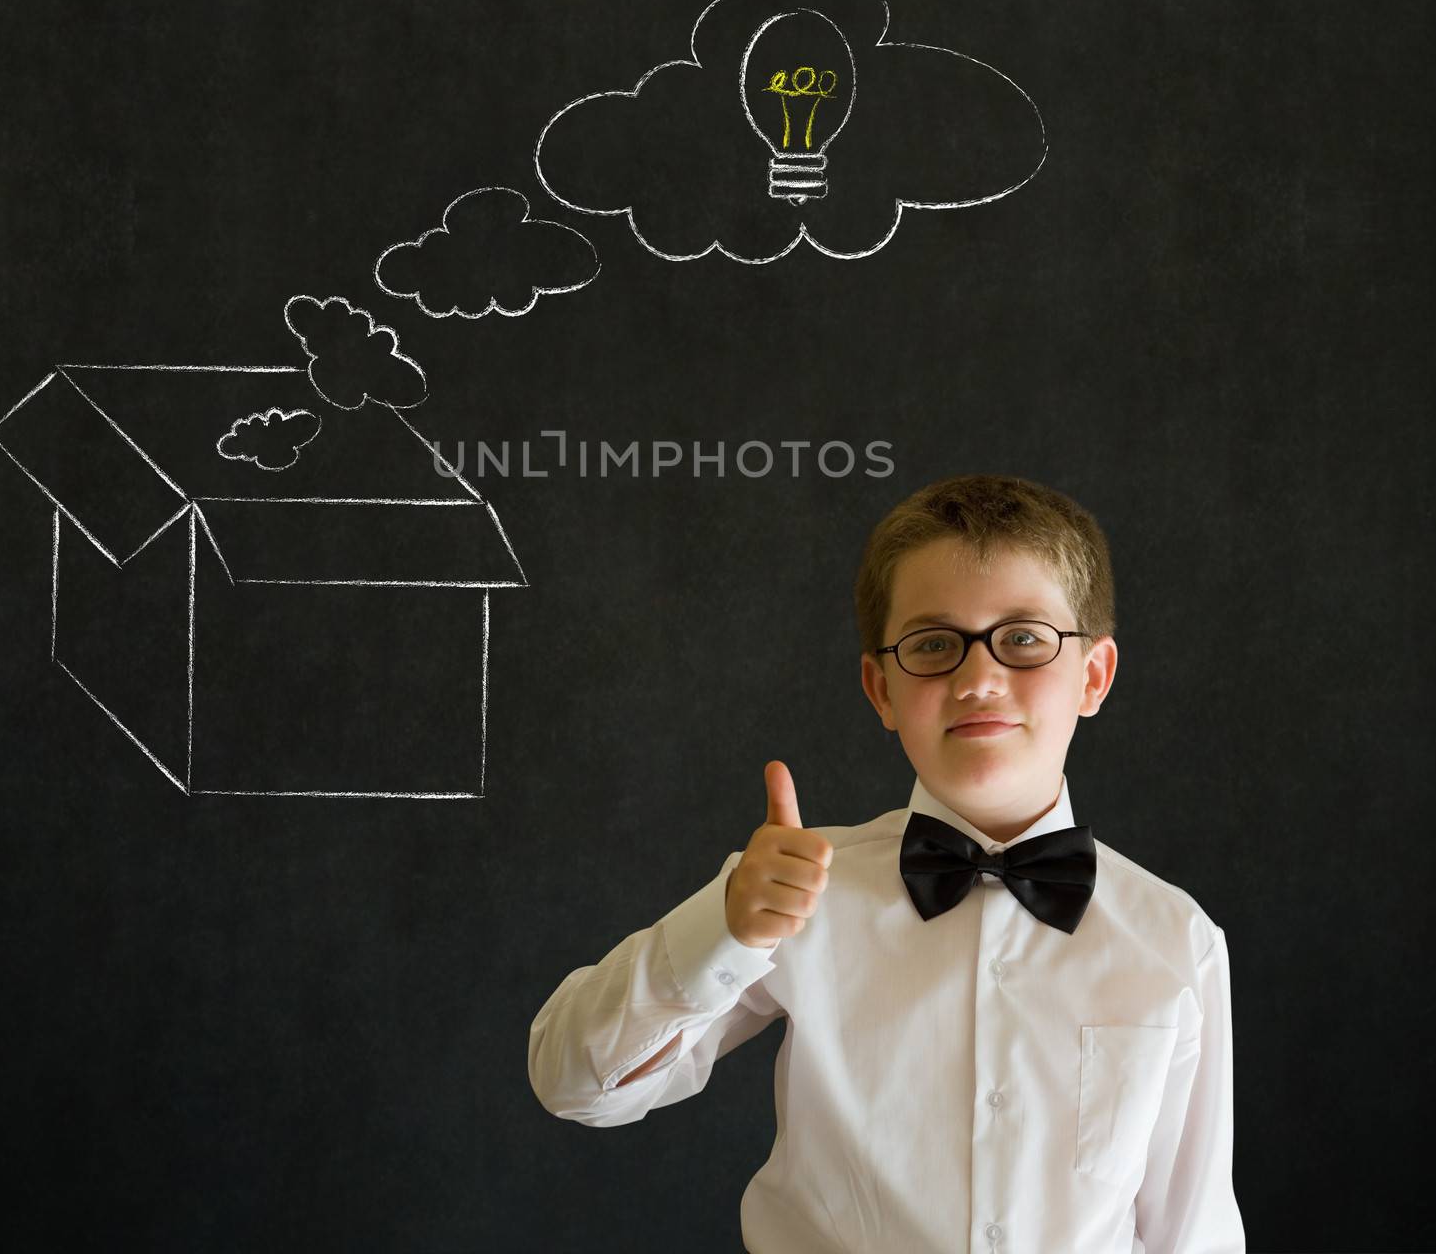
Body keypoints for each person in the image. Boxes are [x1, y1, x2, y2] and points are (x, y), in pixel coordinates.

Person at [528, 474, 1244, 1252]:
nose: (978, 680)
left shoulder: (1177, 938)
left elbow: (1192, 1232)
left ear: (1094, 676)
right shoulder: (795, 889)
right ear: (881, 690)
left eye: (1025, 638)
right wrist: (726, 929)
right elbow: (572, 1086)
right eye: (935, 644)